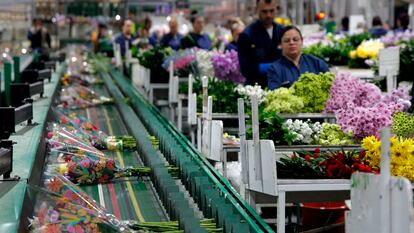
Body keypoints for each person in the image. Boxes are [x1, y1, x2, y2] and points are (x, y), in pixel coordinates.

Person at [238, 0, 284, 87]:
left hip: (282, 84)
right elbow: (245, 69)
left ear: (276, 9)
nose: (268, 15)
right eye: (264, 11)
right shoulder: (247, 35)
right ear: (257, 10)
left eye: (272, 11)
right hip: (257, 88)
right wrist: (270, 67)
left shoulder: (282, 31)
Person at [267, 26, 329, 90]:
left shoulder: (317, 63)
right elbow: (274, 93)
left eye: (295, 39)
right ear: (280, 45)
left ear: (302, 41)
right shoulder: (275, 69)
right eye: (287, 41)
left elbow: (331, 87)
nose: (291, 42)